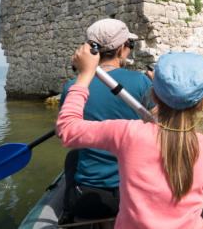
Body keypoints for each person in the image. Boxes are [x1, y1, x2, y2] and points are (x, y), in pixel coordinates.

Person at [57, 45, 203, 228]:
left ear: (154, 95)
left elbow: (67, 129)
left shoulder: (129, 134)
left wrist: (85, 74)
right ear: (202, 102)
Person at [59, 19, 153, 225]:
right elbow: (158, 125)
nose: (129, 50)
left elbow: (65, 129)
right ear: (121, 49)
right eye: (130, 45)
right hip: (133, 195)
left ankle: (66, 212)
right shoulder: (142, 82)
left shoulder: (72, 88)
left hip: (88, 199)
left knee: (73, 156)